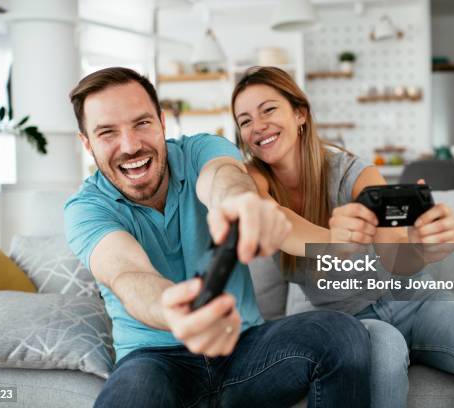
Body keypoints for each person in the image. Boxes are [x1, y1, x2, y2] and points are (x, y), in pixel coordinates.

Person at [63, 67, 371, 408]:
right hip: (154, 361)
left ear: (163, 122)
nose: (131, 145)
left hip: (245, 349)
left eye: (142, 123)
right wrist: (173, 311)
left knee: (342, 335)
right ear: (87, 144)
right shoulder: (86, 208)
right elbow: (124, 271)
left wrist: (238, 201)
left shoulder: (201, 149)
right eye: (108, 132)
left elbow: (223, 177)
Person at [231, 66, 454, 408]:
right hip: (351, 321)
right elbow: (275, 221)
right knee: (384, 351)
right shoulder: (251, 180)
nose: (258, 126)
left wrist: (423, 248)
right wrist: (334, 241)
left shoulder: (352, 173)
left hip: (417, 298)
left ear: (300, 113)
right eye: (245, 120)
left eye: (268, 109)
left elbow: (395, 259)